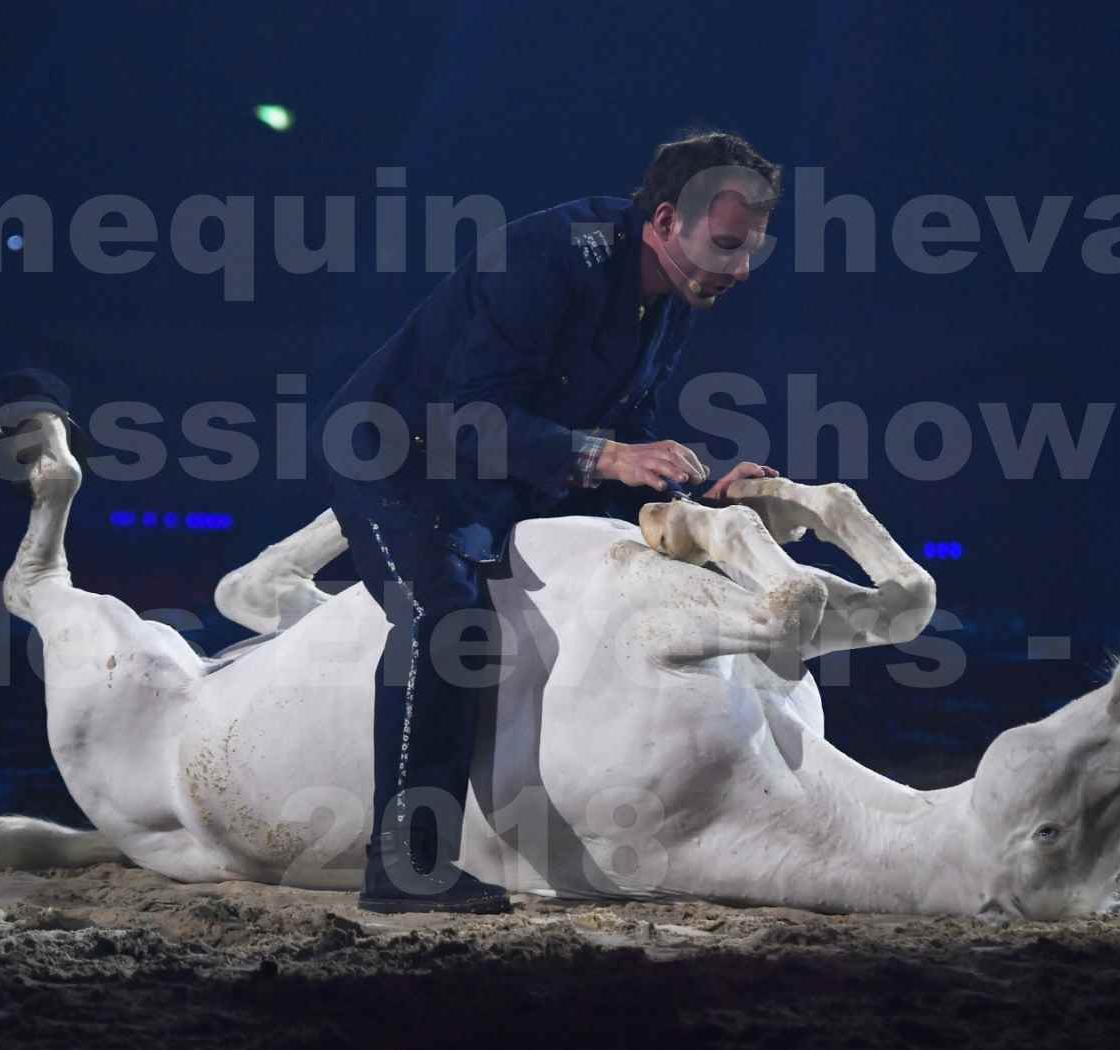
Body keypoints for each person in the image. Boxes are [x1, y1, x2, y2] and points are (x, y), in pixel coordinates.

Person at [305, 131, 784, 913]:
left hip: (501, 457)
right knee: (446, 619)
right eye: (726, 246)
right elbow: (466, 417)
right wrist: (608, 457)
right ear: (664, 220)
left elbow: (626, 425)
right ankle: (402, 865)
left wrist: (705, 491)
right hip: (396, 449)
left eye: (749, 252)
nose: (738, 270)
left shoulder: (674, 291)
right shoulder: (544, 253)